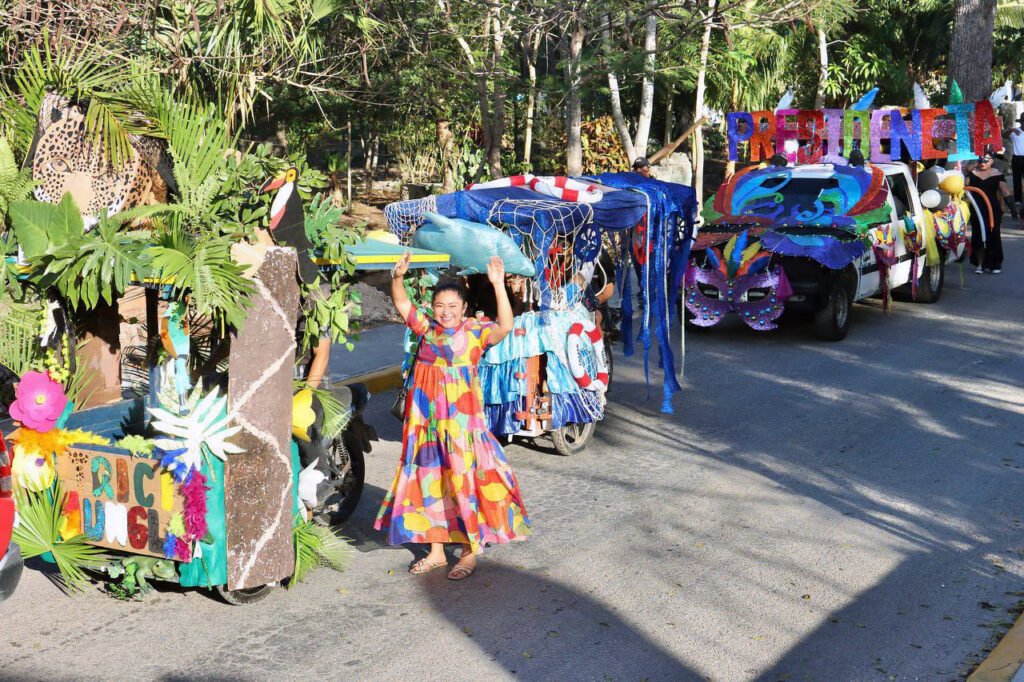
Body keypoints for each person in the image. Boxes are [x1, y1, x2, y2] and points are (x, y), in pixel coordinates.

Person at [375, 252, 531, 580]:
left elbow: (506, 324)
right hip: (426, 426)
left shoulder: (475, 332)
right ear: (433, 308)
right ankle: (435, 552)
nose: (445, 312)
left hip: (463, 428)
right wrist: (398, 277)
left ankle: (469, 552)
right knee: (430, 484)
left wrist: (497, 285)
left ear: (463, 309)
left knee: (465, 484)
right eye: (440, 306)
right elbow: (402, 303)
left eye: (452, 307)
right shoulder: (426, 329)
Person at [967, 150, 1018, 274]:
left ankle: (995, 263)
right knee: (977, 236)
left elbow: (1005, 192)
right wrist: (973, 166)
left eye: (986, 159)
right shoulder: (972, 174)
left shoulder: (997, 174)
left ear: (992, 161)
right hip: (977, 209)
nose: (983, 162)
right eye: (981, 159)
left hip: (992, 210)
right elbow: (963, 186)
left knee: (993, 235)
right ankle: (980, 264)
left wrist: (1012, 209)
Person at [1010, 113, 1024, 211]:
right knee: (1016, 179)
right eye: (1023, 121)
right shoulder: (1015, 131)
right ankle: (1018, 199)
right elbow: (1004, 135)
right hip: (1017, 158)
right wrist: (1011, 130)